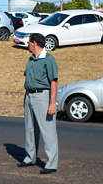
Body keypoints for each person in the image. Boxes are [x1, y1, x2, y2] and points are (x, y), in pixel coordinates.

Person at [18, 33, 59, 174]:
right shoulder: (31, 59)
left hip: (43, 97)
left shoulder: (49, 59)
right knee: (29, 129)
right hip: (29, 95)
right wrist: (26, 99)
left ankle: (52, 163)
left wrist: (52, 103)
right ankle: (30, 157)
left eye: (29, 42)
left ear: (34, 43)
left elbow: (53, 82)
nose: (27, 45)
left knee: (48, 131)